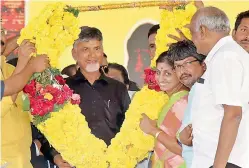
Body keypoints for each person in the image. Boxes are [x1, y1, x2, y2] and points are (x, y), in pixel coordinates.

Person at [44, 26, 130, 168]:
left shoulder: (118, 88)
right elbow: (46, 130)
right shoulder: (61, 89)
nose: (92, 55)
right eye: (85, 50)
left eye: (96, 49)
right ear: (74, 54)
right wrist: (56, 156)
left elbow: (130, 127)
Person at [189, 7, 249, 168]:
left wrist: (218, 166)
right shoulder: (226, 54)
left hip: (224, 162)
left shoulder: (225, 56)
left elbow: (233, 114)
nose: (192, 40)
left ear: (202, 30)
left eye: (192, 33)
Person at [1, 35, 49, 168]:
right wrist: (26, 63)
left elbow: (25, 107)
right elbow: (3, 106)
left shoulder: (8, 68)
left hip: (23, 158)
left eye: (1, 31)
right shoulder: (20, 70)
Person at [139, 50, 189, 168]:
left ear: (180, 73)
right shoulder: (172, 99)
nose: (160, 78)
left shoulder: (182, 101)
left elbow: (184, 150)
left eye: (167, 74)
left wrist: (152, 130)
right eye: (158, 72)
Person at [167, 40, 206, 168]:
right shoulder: (196, 90)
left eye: (187, 63)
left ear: (203, 64)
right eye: (177, 66)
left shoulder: (204, 88)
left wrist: (184, 137)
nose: (182, 70)